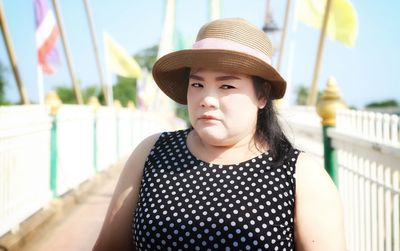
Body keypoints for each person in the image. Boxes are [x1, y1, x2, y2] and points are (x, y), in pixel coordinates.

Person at [93, 18, 346, 251]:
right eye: (197, 84)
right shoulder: (153, 153)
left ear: (262, 95)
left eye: (226, 85)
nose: (207, 99)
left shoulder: (300, 175)